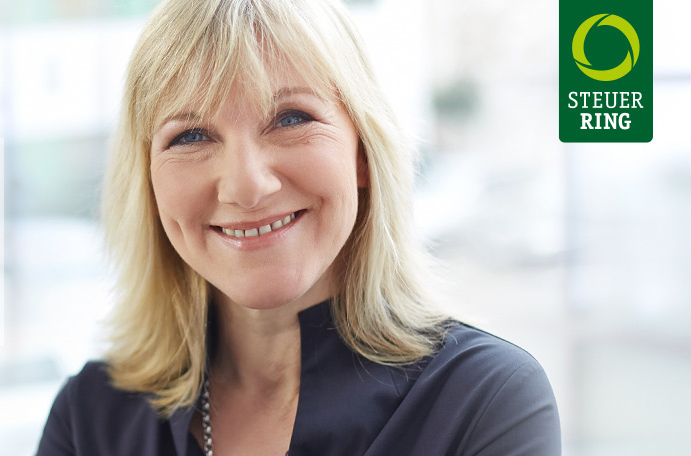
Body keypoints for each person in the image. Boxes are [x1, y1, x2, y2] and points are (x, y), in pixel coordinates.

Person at [37, 0, 561, 454]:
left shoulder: (484, 400)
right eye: (191, 136)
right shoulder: (88, 418)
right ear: (149, 184)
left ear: (362, 154)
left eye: (291, 119)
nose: (246, 186)